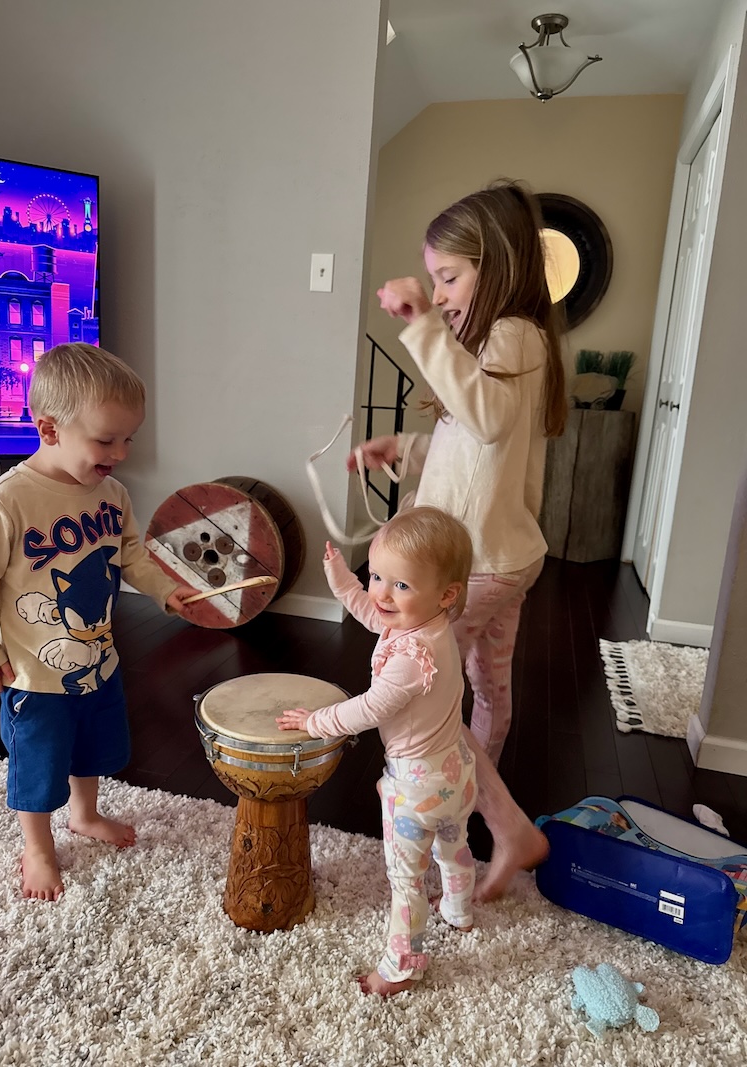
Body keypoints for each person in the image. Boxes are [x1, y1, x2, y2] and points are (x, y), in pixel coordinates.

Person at [351, 179, 566, 894]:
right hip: (507, 558)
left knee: (425, 700)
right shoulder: (508, 347)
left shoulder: (511, 335)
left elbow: (485, 419)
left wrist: (419, 324)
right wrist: (405, 450)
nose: (440, 293)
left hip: (473, 567)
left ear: (496, 263)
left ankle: (509, 828)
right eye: (434, 280)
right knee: (486, 692)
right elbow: (478, 449)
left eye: (450, 276)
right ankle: (477, 809)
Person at [0, 343, 198, 902]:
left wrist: (166, 592)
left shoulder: (111, 494)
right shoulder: (4, 503)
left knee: (93, 743)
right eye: (106, 440)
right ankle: (36, 845)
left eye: (128, 437)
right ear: (49, 429)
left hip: (98, 659)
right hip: (33, 674)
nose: (122, 452)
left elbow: (132, 556)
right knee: (39, 760)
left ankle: (84, 813)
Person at [278, 506, 477, 998]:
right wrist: (342, 577)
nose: (383, 593)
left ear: (446, 593)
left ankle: (400, 968)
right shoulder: (427, 624)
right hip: (457, 771)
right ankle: (459, 910)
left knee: (405, 880)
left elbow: (367, 710)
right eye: (376, 576)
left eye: (400, 585)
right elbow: (373, 611)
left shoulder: (411, 660)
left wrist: (314, 722)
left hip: (416, 787)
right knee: (453, 848)